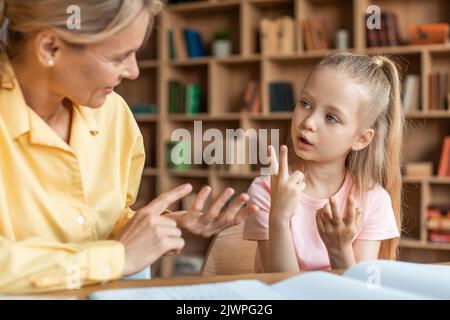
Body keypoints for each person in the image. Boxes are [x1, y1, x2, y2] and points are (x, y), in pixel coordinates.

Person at [0, 0, 258, 293]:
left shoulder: (114, 114)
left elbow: (101, 218)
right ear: (49, 48)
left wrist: (164, 226)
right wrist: (114, 258)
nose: (134, 71)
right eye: (119, 56)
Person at [244, 53, 404, 272]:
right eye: (305, 103)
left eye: (331, 117)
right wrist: (279, 217)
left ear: (361, 139)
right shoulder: (267, 189)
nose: (308, 122)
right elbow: (283, 287)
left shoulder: (373, 200)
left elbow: (358, 294)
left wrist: (339, 249)